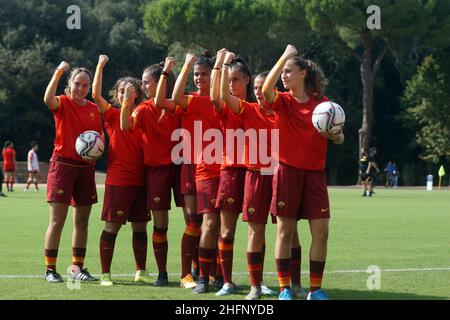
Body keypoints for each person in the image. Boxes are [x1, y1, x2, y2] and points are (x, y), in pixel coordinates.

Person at [262, 44, 344, 300]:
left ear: (303, 75)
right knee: (284, 232)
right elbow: (266, 90)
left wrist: (337, 136)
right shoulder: (283, 101)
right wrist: (284, 55)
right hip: (287, 173)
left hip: (315, 175)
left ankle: (315, 290)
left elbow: (337, 136)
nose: (284, 75)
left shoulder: (325, 105)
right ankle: (285, 288)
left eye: (289, 71)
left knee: (321, 232)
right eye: (283, 71)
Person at [220, 51, 303, 299]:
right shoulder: (248, 110)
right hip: (255, 174)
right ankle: (255, 287)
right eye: (254, 87)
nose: (257, 91)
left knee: (290, 232)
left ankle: (295, 284)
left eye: (261, 87)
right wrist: (223, 64)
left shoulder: (285, 110)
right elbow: (224, 95)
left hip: (281, 174)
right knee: (255, 231)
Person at [155, 52, 223, 294]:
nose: (200, 78)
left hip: (217, 167)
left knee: (214, 223)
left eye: (204, 74)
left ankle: (211, 272)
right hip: (190, 166)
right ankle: (187, 274)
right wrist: (183, 65)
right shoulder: (189, 100)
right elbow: (161, 100)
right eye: (197, 74)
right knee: (194, 222)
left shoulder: (221, 101)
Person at [121, 59, 185, 287]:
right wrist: (127, 101)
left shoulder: (177, 104)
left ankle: (196, 271)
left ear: (160, 83)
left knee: (193, 219)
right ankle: (162, 272)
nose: (143, 86)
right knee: (160, 223)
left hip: (180, 167)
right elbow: (125, 126)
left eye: (146, 82)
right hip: (156, 170)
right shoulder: (143, 109)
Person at [92, 54, 151, 286]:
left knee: (140, 226)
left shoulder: (142, 115)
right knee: (112, 227)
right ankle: (105, 274)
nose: (124, 95)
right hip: (119, 181)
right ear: (116, 95)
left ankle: (141, 271)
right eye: (121, 91)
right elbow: (96, 94)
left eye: (130, 91)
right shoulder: (112, 116)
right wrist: (100, 65)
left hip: (142, 180)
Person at [43, 61, 102, 283]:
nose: (81, 88)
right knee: (58, 220)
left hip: (86, 168)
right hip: (63, 166)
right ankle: (50, 270)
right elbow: (47, 99)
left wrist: (97, 150)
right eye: (77, 84)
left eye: (85, 85)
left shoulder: (93, 109)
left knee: (83, 221)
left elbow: (98, 138)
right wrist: (58, 72)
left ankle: (77, 269)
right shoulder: (63, 102)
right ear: (70, 84)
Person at [210, 50, 253, 296]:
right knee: (227, 230)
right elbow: (216, 96)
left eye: (235, 79)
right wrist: (221, 64)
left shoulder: (257, 107)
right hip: (230, 172)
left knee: (255, 229)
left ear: (247, 79)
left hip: (255, 172)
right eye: (228, 81)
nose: (231, 85)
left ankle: (256, 282)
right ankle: (225, 281)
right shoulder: (225, 106)